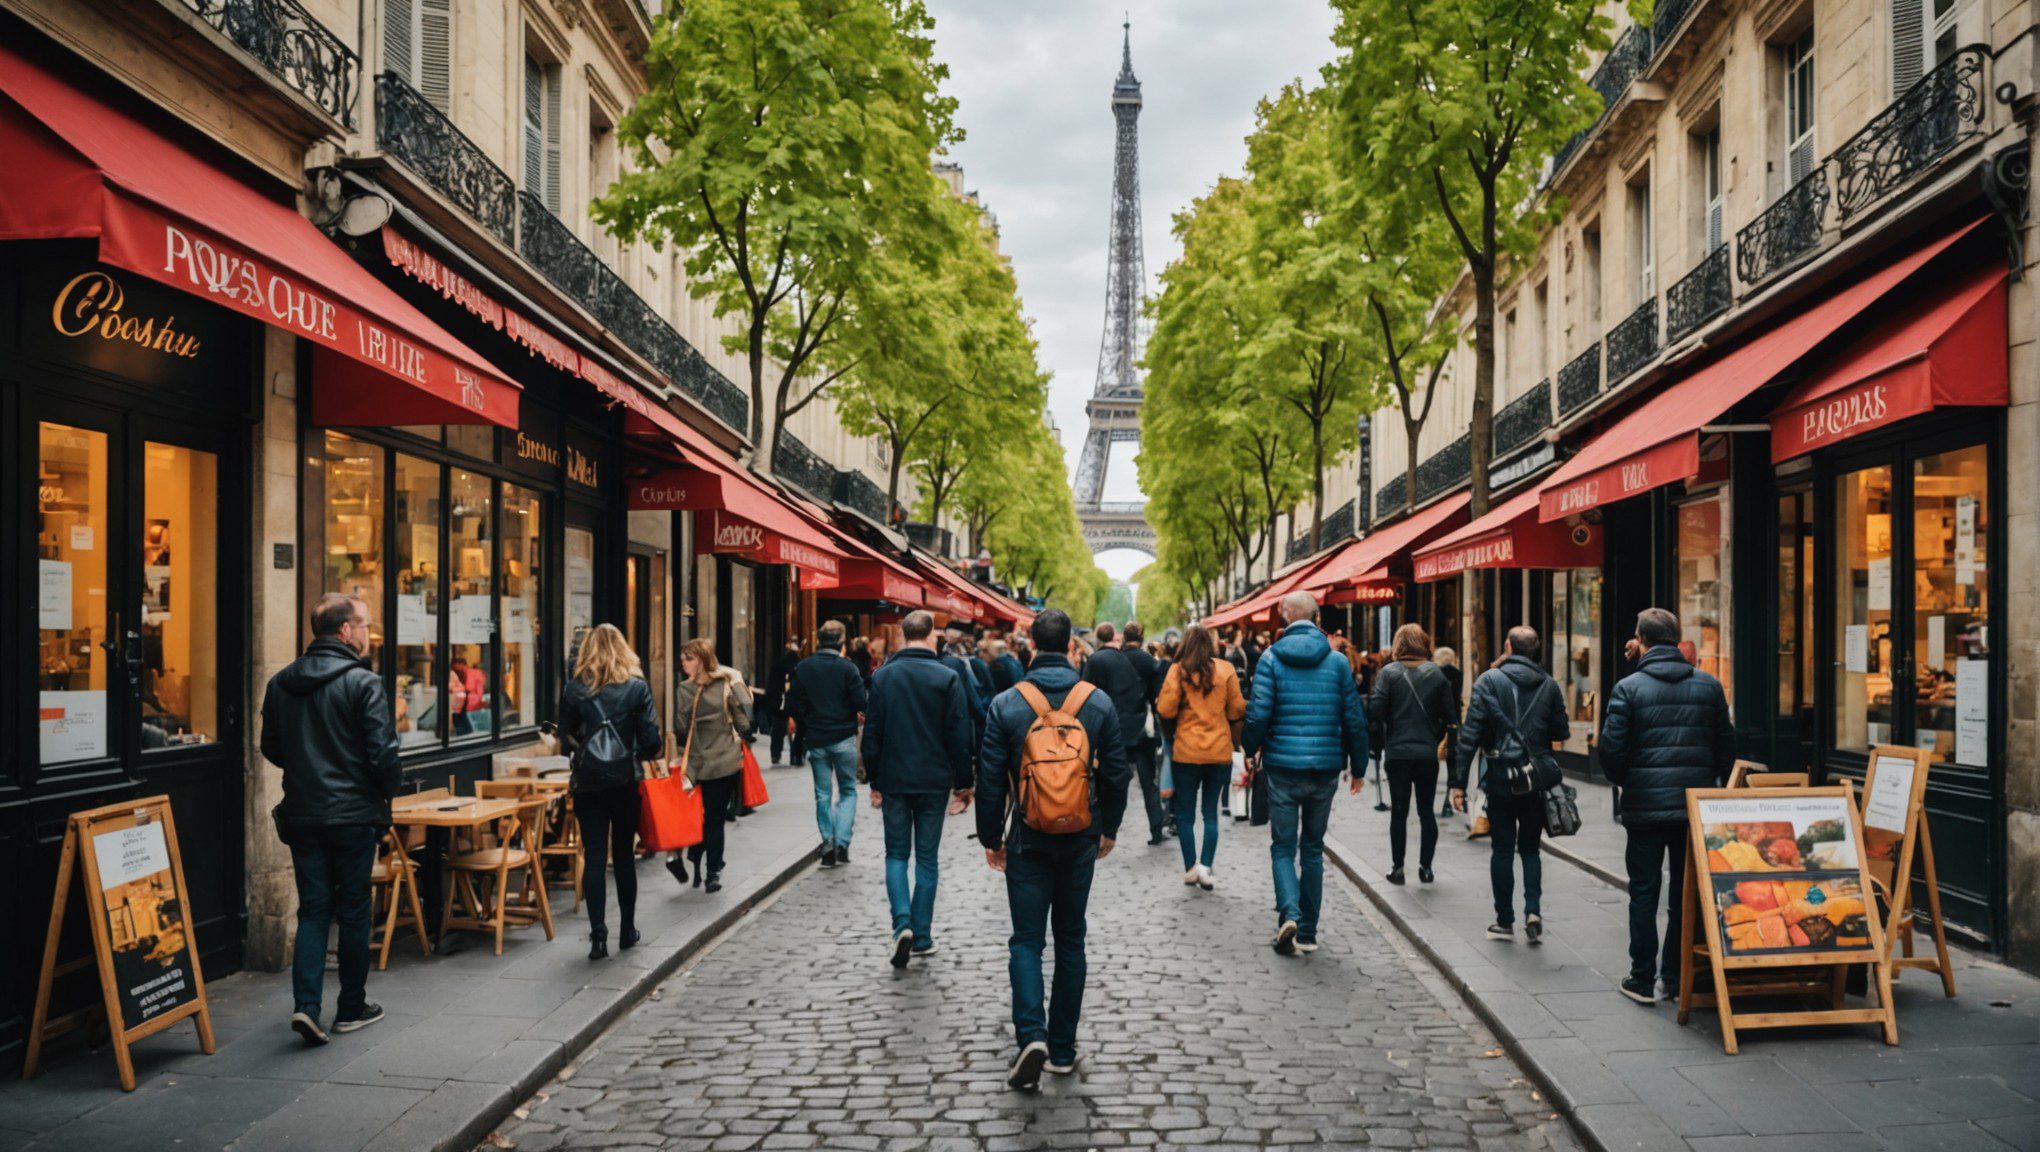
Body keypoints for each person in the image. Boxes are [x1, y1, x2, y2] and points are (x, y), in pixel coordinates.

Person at [978, 608, 1131, 1090]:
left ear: (1029, 643)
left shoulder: (1007, 702)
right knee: (1070, 938)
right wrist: (1109, 827)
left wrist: (991, 837)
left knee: (1026, 939)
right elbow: (1117, 772)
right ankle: (1062, 1048)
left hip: (1027, 837)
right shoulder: (1097, 702)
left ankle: (1030, 1035)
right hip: (1081, 836)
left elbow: (987, 778)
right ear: (1070, 645)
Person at [262, 594, 400, 1046]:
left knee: (315, 911)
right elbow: (383, 755)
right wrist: (386, 792)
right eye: (364, 624)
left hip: (303, 813)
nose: (368, 633)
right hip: (353, 815)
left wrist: (306, 766)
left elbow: (272, 748)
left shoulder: (281, 683)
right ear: (345, 630)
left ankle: (306, 1006)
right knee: (355, 912)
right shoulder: (364, 683)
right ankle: (351, 1007)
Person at [1599, 608, 1736, 1004]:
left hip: (1643, 807)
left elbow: (1611, 753)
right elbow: (1726, 750)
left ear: (1639, 640)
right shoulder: (1709, 687)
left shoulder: (1628, 688)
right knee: (1684, 892)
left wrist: (1631, 780)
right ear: (1677, 640)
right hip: (1693, 807)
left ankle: (1641, 978)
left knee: (1643, 892)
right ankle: (1675, 976)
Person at [1242, 592, 1369, 956]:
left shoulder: (1270, 659)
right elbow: (1354, 720)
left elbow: (1258, 713)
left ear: (1284, 619)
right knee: (1312, 849)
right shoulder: (1338, 662)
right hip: (1325, 767)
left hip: (1282, 766)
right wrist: (1358, 768)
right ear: (1317, 620)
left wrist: (1250, 750)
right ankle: (1309, 932)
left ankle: (1290, 914)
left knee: (1283, 846)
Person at [864, 611, 975, 967]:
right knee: (927, 858)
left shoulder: (883, 677)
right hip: (933, 779)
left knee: (896, 854)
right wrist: (963, 782)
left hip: (895, 778)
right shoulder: (947, 676)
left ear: (902, 634)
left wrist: (875, 781)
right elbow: (959, 733)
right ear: (931, 635)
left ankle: (902, 925)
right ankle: (923, 934)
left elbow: (873, 733)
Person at [1450, 626, 1568, 944]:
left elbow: (1469, 735)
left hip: (1502, 777)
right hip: (1535, 780)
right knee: (1531, 849)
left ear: (1508, 646)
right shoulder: (1549, 684)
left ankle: (1505, 921)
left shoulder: (1489, 680)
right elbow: (1561, 731)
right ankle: (1533, 910)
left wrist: (1458, 783)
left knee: (1502, 849)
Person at [557, 624, 662, 960]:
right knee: (624, 859)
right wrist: (633, 753)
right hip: (624, 782)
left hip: (588, 784)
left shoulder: (575, 689)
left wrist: (585, 747)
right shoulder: (636, 688)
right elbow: (652, 741)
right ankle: (627, 930)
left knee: (595, 857)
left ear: (588, 650)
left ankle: (598, 937)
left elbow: (564, 738)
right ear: (623, 649)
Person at [1155, 623, 1246, 889]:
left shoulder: (1177, 671)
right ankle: (1206, 866)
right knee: (1210, 813)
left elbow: (1166, 709)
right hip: (1219, 751)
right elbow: (1237, 709)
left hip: (1187, 752)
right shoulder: (1226, 670)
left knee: (1185, 815)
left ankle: (1191, 866)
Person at [1368, 624, 1457, 885]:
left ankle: (1398, 868)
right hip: (1427, 752)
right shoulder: (1438, 675)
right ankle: (1426, 868)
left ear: (1398, 645)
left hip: (1397, 752)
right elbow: (1451, 717)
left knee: (1399, 811)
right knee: (1426, 811)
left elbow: (1375, 712)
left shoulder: (1388, 673)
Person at [786, 621, 868, 868]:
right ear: (842, 642)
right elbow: (861, 702)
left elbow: (794, 704)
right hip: (843, 737)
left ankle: (828, 841)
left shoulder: (804, 667)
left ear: (819, 640)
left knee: (823, 794)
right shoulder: (848, 668)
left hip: (817, 739)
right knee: (848, 790)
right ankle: (842, 840)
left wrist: (807, 721)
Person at [675, 639, 752, 893]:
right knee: (715, 818)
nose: (683, 663)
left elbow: (681, 728)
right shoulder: (726, 683)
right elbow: (744, 719)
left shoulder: (685, 690)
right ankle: (712, 872)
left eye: (688, 658)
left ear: (701, 659)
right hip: (725, 761)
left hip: (697, 762)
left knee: (699, 816)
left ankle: (696, 858)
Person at [1084, 622, 1166, 846]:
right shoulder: (1149, 662)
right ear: (1141, 636)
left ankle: (1106, 828)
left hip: (1116, 728)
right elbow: (1157, 696)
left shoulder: (1113, 659)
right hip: (1142, 728)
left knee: (1112, 780)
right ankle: (1156, 827)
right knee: (1148, 781)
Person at [762, 639, 805, 767]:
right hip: (796, 701)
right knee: (798, 729)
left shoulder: (778, 664)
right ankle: (796, 755)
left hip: (779, 701)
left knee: (778, 729)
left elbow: (771, 684)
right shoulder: (800, 665)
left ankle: (775, 754)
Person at [1434, 646, 1464, 819]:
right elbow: (1456, 698)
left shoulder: (1434, 674)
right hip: (1452, 722)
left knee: (1433, 760)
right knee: (1452, 760)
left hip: (1436, 722)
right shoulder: (1457, 674)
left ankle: (1438, 801)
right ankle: (1449, 800)